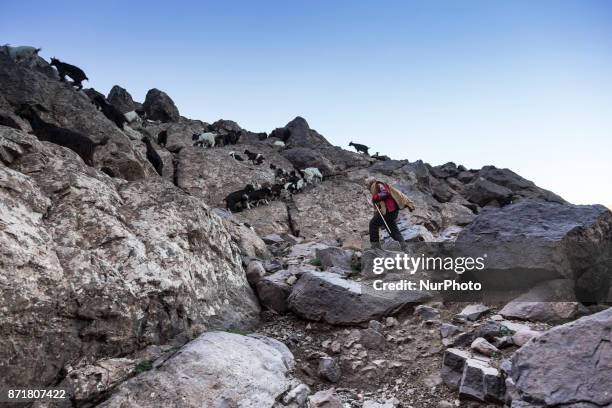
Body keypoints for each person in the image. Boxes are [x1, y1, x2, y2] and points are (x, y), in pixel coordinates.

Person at [366, 177, 410, 250]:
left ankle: (375, 247)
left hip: (388, 210)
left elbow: (385, 193)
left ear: (370, 182)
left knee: (373, 224)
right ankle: (405, 248)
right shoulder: (377, 186)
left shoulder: (377, 184)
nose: (366, 185)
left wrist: (375, 197)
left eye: (367, 183)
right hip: (393, 210)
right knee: (393, 230)